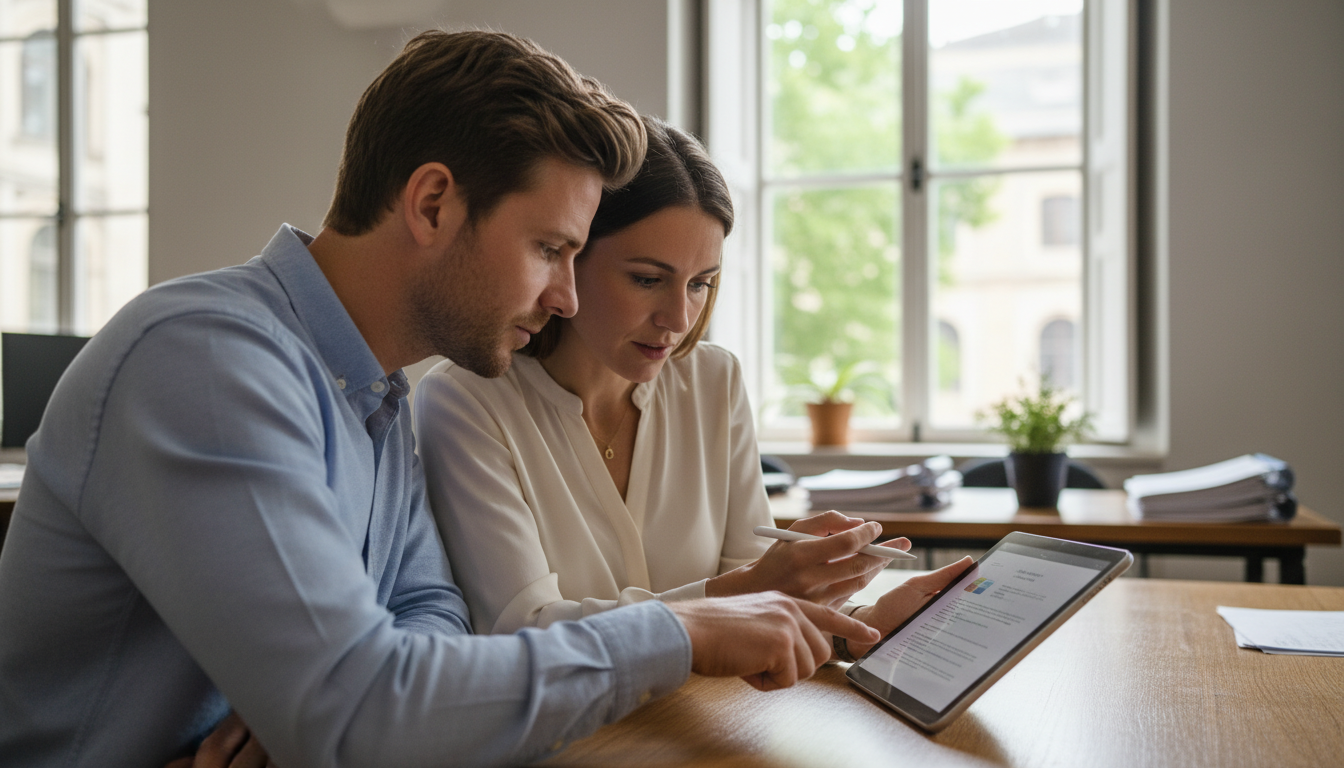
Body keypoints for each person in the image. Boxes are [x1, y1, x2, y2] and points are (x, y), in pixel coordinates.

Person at [0, 30, 890, 768]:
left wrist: (327, 712)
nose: (566, 299)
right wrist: (683, 632)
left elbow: (435, 634)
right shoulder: (205, 359)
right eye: (549, 249)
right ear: (432, 204)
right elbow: (361, 712)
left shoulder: (375, 394)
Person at [413, 117, 969, 648]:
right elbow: (522, 631)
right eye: (648, 279)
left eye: (701, 283)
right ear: (570, 255)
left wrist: (863, 623)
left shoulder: (713, 380)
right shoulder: (464, 402)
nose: (678, 318)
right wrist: (746, 591)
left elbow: (756, 593)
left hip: (707, 721)